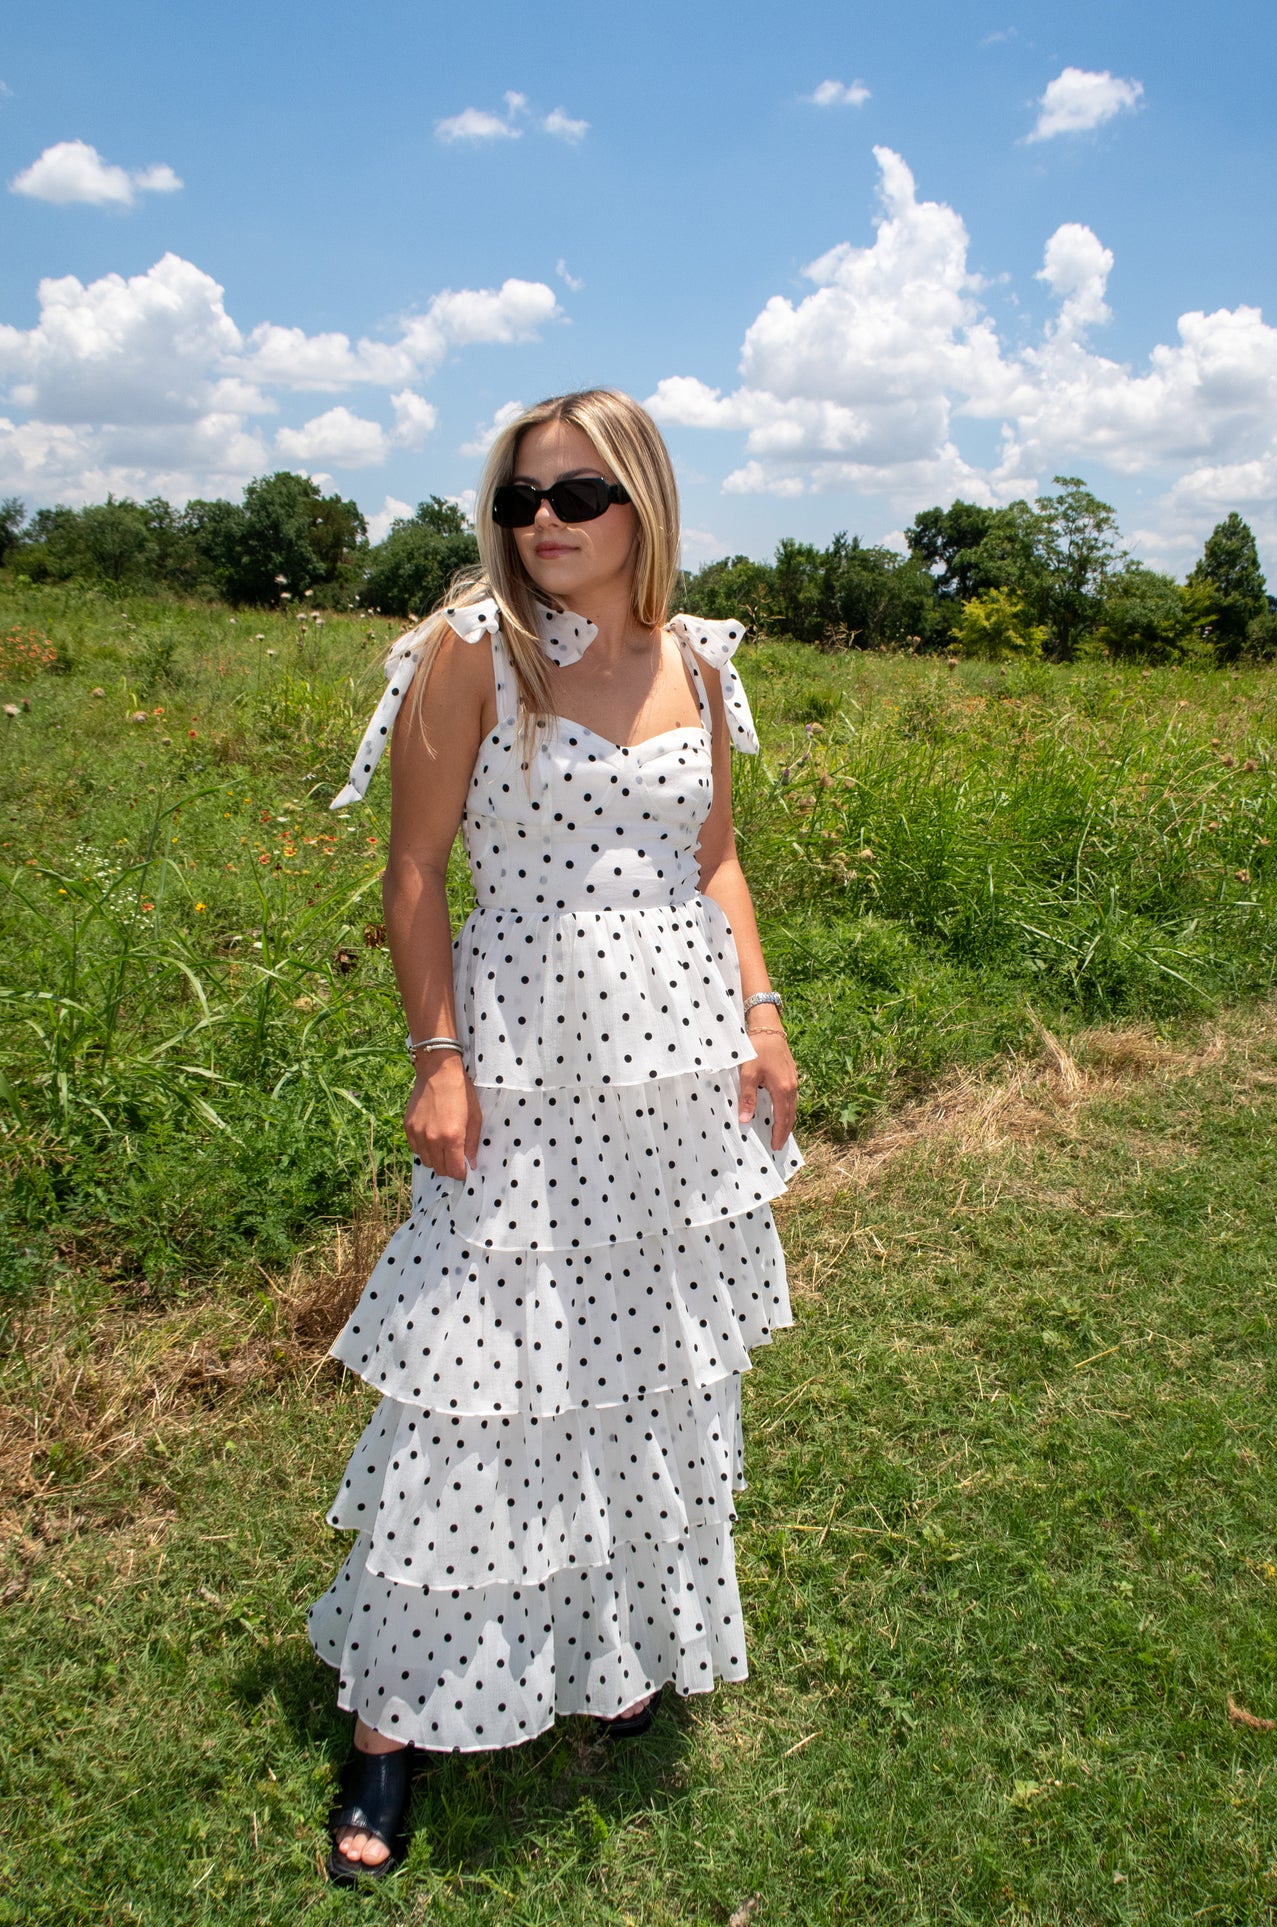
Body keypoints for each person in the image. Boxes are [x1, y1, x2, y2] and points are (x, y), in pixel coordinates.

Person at [310, 388, 801, 1882]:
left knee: (641, 1352)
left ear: (640, 500)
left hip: (673, 1060)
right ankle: (390, 1728)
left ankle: (608, 1645)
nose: (544, 523)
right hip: (522, 1052)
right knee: (480, 1367)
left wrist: (762, 1018)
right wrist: (437, 1058)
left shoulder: (698, 663)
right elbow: (412, 871)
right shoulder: (472, 649)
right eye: (525, 497)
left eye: (578, 495)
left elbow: (712, 856)